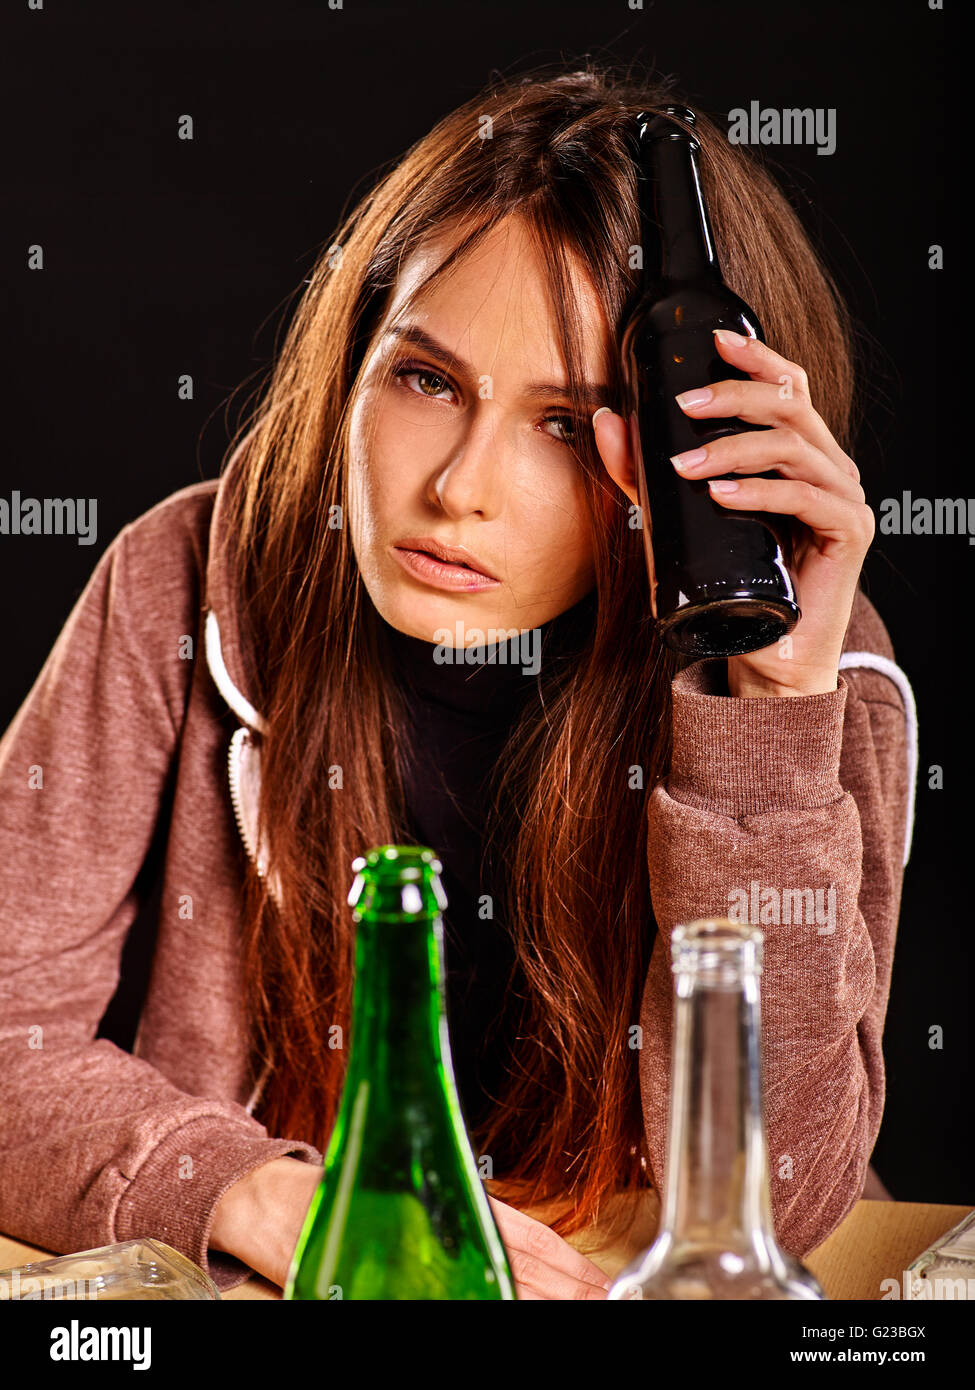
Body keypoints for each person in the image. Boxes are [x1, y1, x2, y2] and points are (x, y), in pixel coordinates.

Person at [0, 61, 915, 1300]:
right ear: (352, 361)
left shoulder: (809, 665)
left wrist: (768, 714)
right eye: (427, 380)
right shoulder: (180, 579)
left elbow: (782, 1202)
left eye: (562, 422)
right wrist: (244, 1189)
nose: (460, 489)